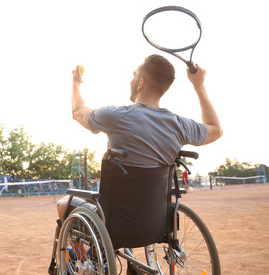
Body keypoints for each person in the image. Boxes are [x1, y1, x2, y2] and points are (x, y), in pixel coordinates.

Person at [57, 54, 222, 223]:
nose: (131, 79)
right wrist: (199, 86)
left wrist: (76, 83)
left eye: (134, 75)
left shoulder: (116, 116)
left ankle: (82, 250)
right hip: (155, 222)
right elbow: (215, 130)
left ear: (141, 82)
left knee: (63, 203)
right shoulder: (179, 125)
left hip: (114, 222)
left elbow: (77, 111)